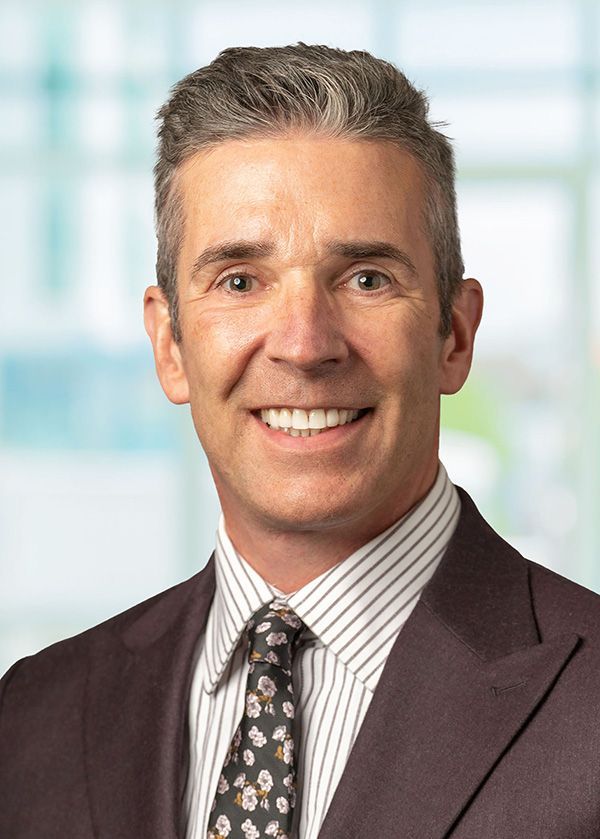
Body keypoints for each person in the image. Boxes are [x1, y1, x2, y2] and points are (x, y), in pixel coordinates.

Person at [1, 43, 599, 839]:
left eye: (366, 278)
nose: (305, 344)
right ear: (170, 344)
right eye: (240, 280)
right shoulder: (33, 717)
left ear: (454, 335)